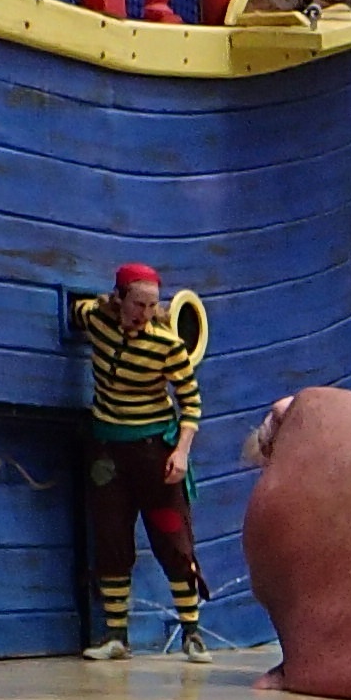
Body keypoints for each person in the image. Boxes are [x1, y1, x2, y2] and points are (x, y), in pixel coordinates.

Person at [74, 262, 211, 659]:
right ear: (119, 299)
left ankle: (192, 633)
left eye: (152, 306)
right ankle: (116, 636)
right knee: (112, 538)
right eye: (138, 304)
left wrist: (181, 452)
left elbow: (191, 403)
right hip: (108, 450)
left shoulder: (168, 346)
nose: (145, 314)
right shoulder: (97, 322)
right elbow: (80, 310)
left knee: (173, 537)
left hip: (154, 450)